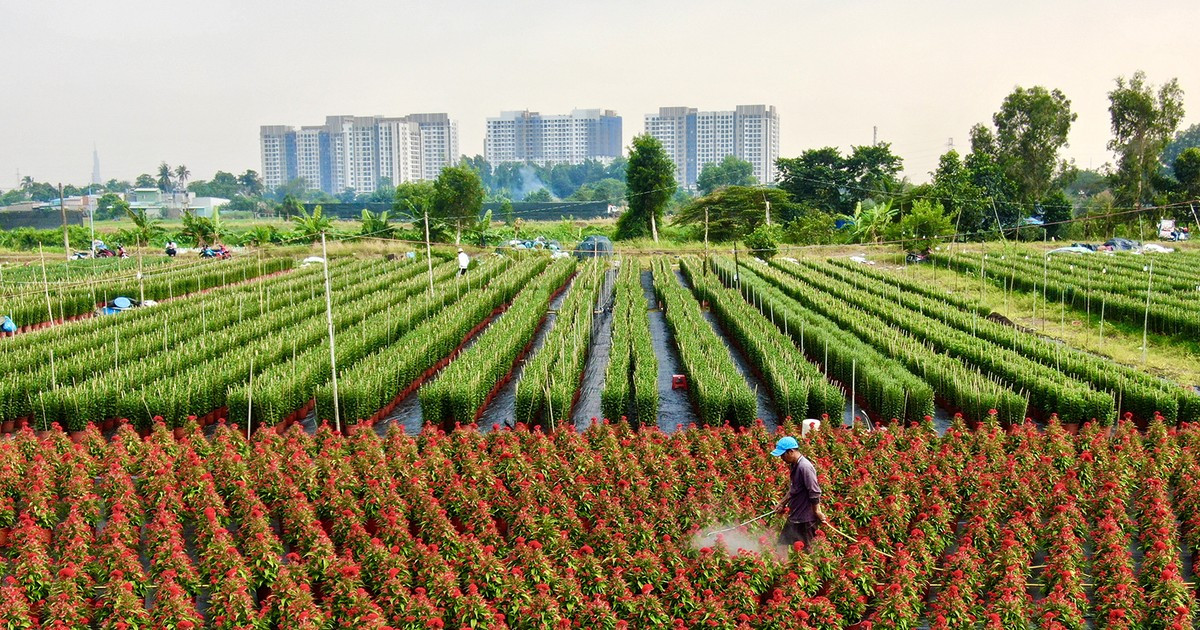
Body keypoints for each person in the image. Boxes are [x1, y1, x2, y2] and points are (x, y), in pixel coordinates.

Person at [770, 435, 826, 552]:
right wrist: (782, 503)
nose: (781, 458)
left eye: (782, 455)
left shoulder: (804, 467)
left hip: (806, 518)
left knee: (809, 550)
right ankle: (782, 567)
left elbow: (814, 491)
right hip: (795, 515)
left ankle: (812, 569)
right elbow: (793, 489)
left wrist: (817, 511)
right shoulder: (795, 465)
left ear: (791, 451)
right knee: (782, 545)